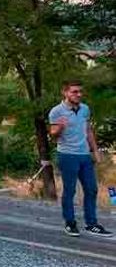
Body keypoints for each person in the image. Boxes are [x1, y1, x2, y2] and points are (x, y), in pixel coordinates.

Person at [49, 80, 112, 237]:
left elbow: (88, 130)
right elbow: (52, 133)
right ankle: (70, 223)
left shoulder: (85, 109)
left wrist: (95, 151)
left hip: (84, 155)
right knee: (69, 190)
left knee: (91, 189)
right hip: (67, 155)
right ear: (65, 93)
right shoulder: (56, 111)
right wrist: (60, 127)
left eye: (80, 92)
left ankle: (92, 224)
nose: (78, 94)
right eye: (74, 92)